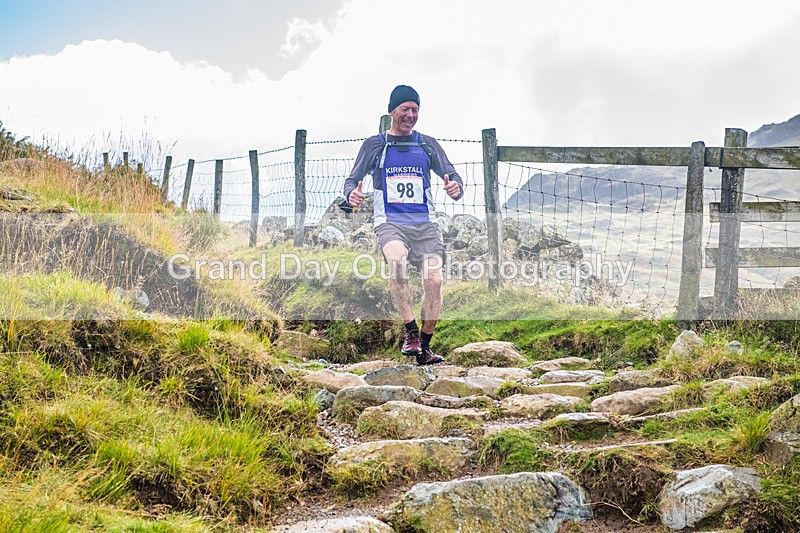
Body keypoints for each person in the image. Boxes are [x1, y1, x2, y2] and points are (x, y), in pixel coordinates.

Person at [343, 85, 464, 365]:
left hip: (425, 225)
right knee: (397, 262)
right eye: (405, 109)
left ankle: (425, 347)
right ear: (391, 112)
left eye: (415, 110)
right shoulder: (375, 145)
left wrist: (456, 186)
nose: (410, 115)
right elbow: (352, 180)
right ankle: (410, 332)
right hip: (391, 223)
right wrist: (352, 194)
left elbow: (452, 173)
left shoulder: (427, 144)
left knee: (434, 281)